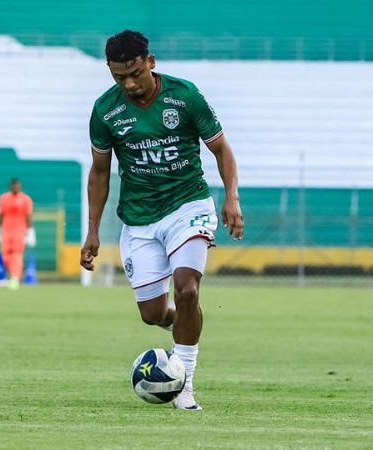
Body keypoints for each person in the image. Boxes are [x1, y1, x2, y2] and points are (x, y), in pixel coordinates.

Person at [80, 30, 244, 410]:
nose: (130, 84)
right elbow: (100, 173)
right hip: (139, 220)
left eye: (135, 73)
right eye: (119, 77)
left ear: (150, 62)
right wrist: (92, 230)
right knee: (153, 314)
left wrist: (231, 196)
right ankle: (185, 325)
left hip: (188, 206)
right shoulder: (105, 111)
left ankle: (183, 383)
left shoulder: (184, 97)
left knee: (187, 288)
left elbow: (221, 149)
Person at [0, 178, 35, 290]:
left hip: (20, 231)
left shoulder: (26, 199)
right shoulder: (3, 198)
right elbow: (0, 215)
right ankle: (13, 275)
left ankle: (15, 278)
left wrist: (30, 232)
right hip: (6, 231)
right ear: (11, 186)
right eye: (14, 186)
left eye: (18, 186)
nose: (16, 188)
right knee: (5, 255)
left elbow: (28, 216)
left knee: (16, 254)